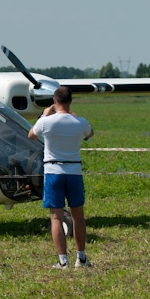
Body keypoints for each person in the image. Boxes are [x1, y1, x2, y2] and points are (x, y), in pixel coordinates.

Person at [28, 86, 95, 269]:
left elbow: (31, 135)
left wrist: (44, 115)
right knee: (78, 216)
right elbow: (90, 134)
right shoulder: (79, 122)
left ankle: (63, 260)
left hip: (53, 171)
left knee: (56, 218)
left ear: (54, 101)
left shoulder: (46, 122)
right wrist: (72, 114)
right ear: (70, 101)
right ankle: (80, 258)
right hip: (73, 172)